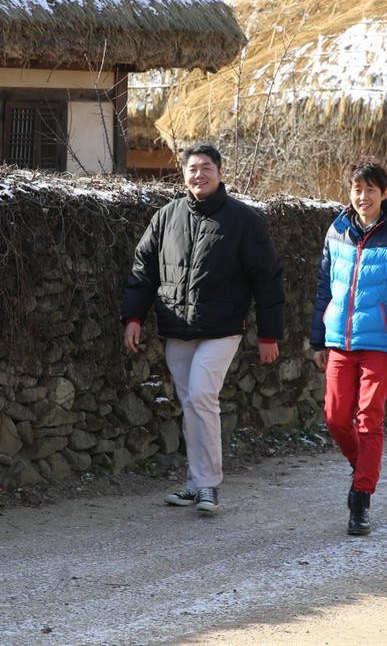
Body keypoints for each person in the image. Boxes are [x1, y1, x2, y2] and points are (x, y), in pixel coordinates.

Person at [121, 142, 285, 513]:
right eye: (193, 168)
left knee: (200, 397)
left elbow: (268, 280)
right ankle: (195, 483)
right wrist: (132, 317)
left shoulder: (243, 220)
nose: (200, 174)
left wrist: (269, 335)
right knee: (191, 404)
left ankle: (208, 484)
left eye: (207, 168)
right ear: (184, 174)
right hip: (177, 329)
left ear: (221, 173)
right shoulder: (166, 217)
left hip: (222, 329)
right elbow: (142, 271)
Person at [310, 157, 387, 535]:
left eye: (371, 190)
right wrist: (318, 338)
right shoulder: (336, 230)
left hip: (381, 343)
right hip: (339, 342)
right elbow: (324, 288)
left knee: (368, 418)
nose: (363, 196)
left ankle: (360, 497)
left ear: (384, 193)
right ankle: (364, 469)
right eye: (357, 190)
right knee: (335, 417)